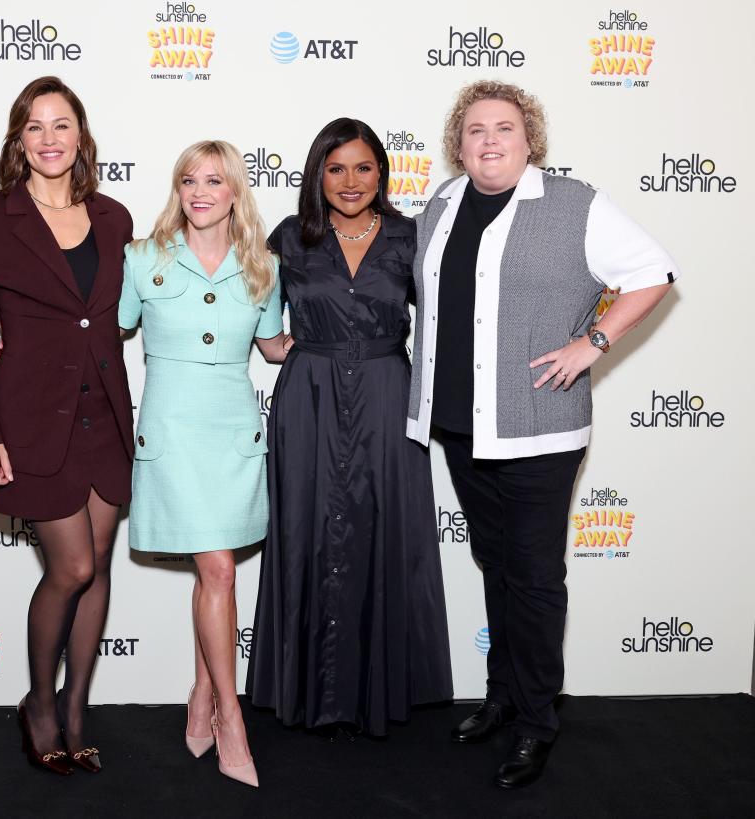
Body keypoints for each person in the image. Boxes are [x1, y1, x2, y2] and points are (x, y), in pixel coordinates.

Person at [407, 80, 679, 788]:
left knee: (533, 578)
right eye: (474, 130)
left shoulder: (573, 204)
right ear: (457, 144)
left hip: (539, 431)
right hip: (461, 426)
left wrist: (594, 340)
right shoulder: (440, 204)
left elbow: (652, 272)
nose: (489, 140)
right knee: (496, 565)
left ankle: (536, 721)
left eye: (504, 127)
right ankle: (501, 696)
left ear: (531, 139)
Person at [247, 118, 454, 738]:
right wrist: (269, 342)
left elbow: (456, 312)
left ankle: (379, 690)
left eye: (364, 168)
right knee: (306, 532)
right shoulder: (290, 237)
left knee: (387, 531)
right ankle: (309, 691)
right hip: (308, 397)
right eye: (335, 169)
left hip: (389, 397)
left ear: (382, 174)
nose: (350, 181)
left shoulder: (408, 237)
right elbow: (244, 302)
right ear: (317, 175)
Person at [0, 76, 134, 775]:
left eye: (63, 125)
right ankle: (39, 703)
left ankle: (77, 709)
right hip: (31, 418)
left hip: (107, 417)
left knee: (101, 569)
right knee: (74, 565)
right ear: (18, 140)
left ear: (81, 136)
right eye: (36, 127)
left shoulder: (115, 217)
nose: (51, 139)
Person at [118, 140, 287, 788]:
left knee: (211, 574)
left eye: (213, 180)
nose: (198, 191)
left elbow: (274, 347)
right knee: (218, 568)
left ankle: (200, 693)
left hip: (232, 429)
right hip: (172, 429)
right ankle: (231, 718)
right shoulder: (142, 258)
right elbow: (103, 334)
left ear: (234, 191)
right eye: (188, 179)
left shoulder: (263, 267)